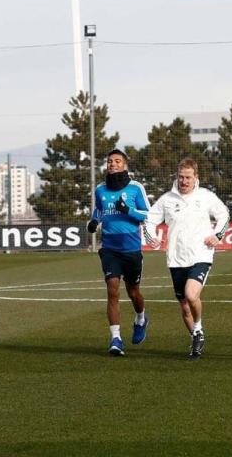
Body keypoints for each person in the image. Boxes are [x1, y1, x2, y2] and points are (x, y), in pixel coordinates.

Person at [144, 158, 230, 359]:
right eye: (181, 177)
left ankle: (198, 329)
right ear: (177, 177)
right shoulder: (167, 200)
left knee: (191, 295)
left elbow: (224, 215)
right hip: (175, 259)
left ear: (195, 177)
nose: (184, 181)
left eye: (188, 177)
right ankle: (196, 339)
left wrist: (217, 235)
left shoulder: (205, 196)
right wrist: (152, 239)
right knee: (184, 306)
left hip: (201, 254)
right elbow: (149, 220)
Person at [87, 148, 151, 356]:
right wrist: (94, 222)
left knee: (133, 291)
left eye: (116, 161)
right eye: (109, 161)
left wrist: (129, 211)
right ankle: (116, 339)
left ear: (124, 165)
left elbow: (149, 215)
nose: (112, 164)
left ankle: (141, 317)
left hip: (131, 248)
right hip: (110, 249)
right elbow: (98, 211)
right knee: (112, 289)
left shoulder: (135, 188)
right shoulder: (100, 189)